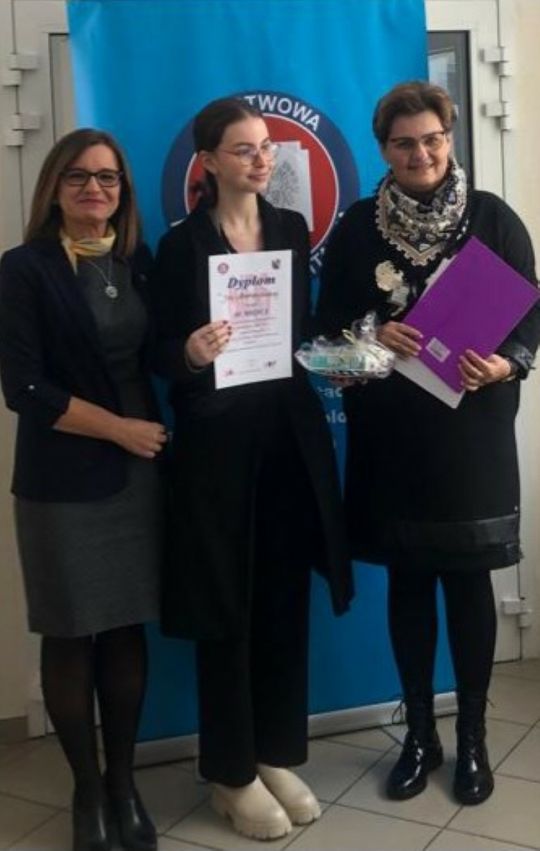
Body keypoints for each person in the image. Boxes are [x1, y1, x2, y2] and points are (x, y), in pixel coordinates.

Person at [316, 81, 540, 806]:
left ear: (450, 138)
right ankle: (420, 734)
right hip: (392, 439)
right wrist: (370, 334)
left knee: (469, 584)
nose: (422, 154)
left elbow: (532, 316)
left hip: (471, 438)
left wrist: (506, 363)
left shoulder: (493, 218)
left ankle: (472, 736)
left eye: (433, 139)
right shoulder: (357, 229)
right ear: (384, 149)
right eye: (405, 142)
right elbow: (323, 338)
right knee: (409, 584)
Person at [153, 97, 353, 840]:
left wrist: (338, 358)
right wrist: (188, 353)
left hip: (287, 443)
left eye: (266, 146)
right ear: (207, 161)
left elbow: (300, 334)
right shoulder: (181, 246)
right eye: (243, 149)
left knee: (281, 598)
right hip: (217, 451)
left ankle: (274, 752)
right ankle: (229, 771)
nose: (261, 159)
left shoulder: (290, 229)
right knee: (225, 605)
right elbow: (158, 351)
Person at [0, 128, 167, 851]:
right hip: (62, 476)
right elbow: (24, 388)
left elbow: (161, 352)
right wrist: (120, 430)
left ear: (123, 191)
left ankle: (123, 782)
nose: (94, 189)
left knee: (126, 626)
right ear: (54, 189)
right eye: (78, 177)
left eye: (107, 178)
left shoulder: (136, 261)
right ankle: (87, 791)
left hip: (138, 476)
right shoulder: (24, 268)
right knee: (70, 632)